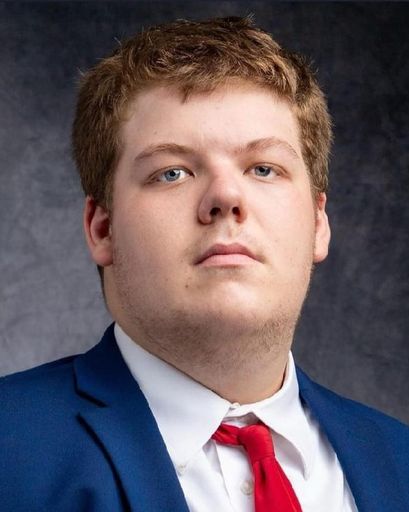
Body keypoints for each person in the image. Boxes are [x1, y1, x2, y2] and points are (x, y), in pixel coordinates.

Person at [0, 16, 408, 512]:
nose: (226, 196)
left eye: (264, 168)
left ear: (318, 223)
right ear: (102, 229)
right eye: (172, 172)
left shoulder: (401, 461)